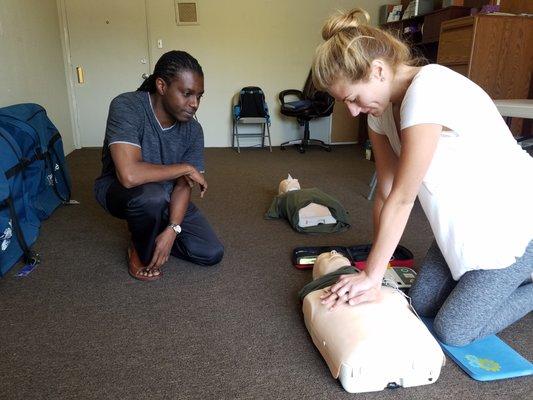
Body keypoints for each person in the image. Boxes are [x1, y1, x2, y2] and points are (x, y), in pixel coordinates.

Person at [313, 8, 533, 346]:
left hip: (514, 224)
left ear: (378, 70)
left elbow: (403, 197)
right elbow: (385, 193)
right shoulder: (380, 112)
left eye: (354, 98)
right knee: (421, 303)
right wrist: (374, 268)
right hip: (465, 223)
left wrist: (372, 277)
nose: (353, 111)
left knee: (454, 330)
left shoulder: (428, 90)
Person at [94, 50, 224, 281]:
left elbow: (184, 186)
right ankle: (139, 246)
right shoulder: (127, 106)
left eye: (199, 96)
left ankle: (152, 230)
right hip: (122, 192)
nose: (194, 104)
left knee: (211, 252)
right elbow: (129, 175)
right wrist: (185, 168)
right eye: (187, 94)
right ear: (162, 86)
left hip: (167, 194)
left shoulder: (194, 130)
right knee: (150, 197)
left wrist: (173, 229)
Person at [299, 251, 444, 393]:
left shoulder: (313, 295)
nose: (333, 254)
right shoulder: (316, 293)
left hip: (342, 284)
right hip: (343, 284)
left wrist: (370, 276)